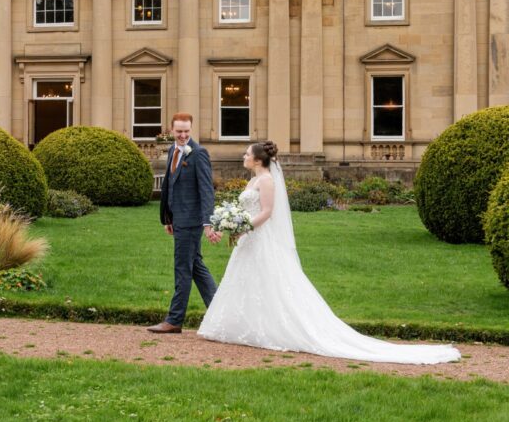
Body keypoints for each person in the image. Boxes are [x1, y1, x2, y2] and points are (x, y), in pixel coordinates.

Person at [197, 140, 461, 364]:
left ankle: (271, 328)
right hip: (249, 239)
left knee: (269, 282)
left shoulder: (266, 180)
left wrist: (243, 227)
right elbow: (249, 210)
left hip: (260, 238)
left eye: (247, 154)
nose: (243, 156)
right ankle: (244, 327)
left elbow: (266, 213)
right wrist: (234, 225)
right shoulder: (252, 179)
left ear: (257, 160)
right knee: (248, 282)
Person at [148, 113, 221, 334]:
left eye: (186, 131)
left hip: (191, 221)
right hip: (177, 219)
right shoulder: (173, 150)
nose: (182, 135)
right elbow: (170, 186)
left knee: (182, 269)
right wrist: (168, 218)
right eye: (179, 131)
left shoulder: (198, 154)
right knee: (196, 267)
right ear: (171, 130)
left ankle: (175, 319)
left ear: (191, 130)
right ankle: (220, 313)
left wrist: (207, 222)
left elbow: (206, 191)